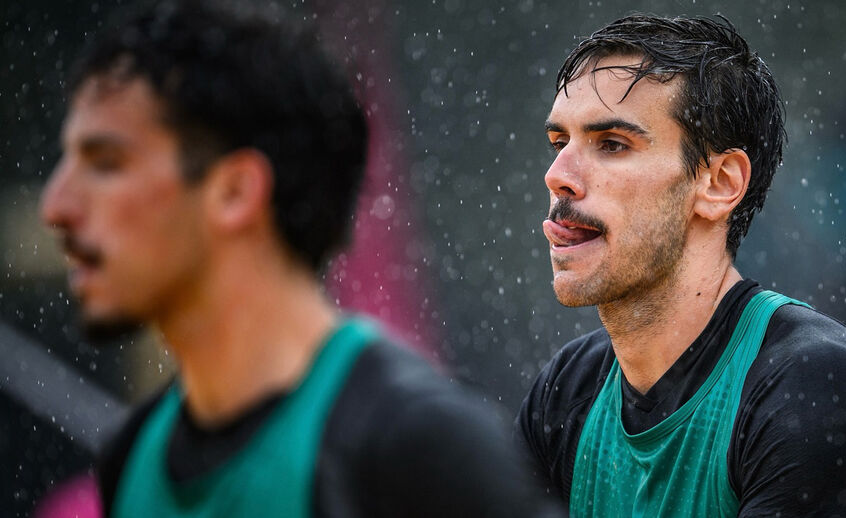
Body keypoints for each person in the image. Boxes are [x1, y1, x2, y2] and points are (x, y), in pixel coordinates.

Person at [40, 1, 563, 517]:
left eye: (106, 163)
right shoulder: (130, 457)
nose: (55, 206)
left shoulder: (416, 448)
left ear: (235, 192)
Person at [516, 13, 846, 517]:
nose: (557, 176)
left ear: (720, 183)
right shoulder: (567, 392)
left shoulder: (817, 386)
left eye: (612, 144)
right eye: (559, 143)